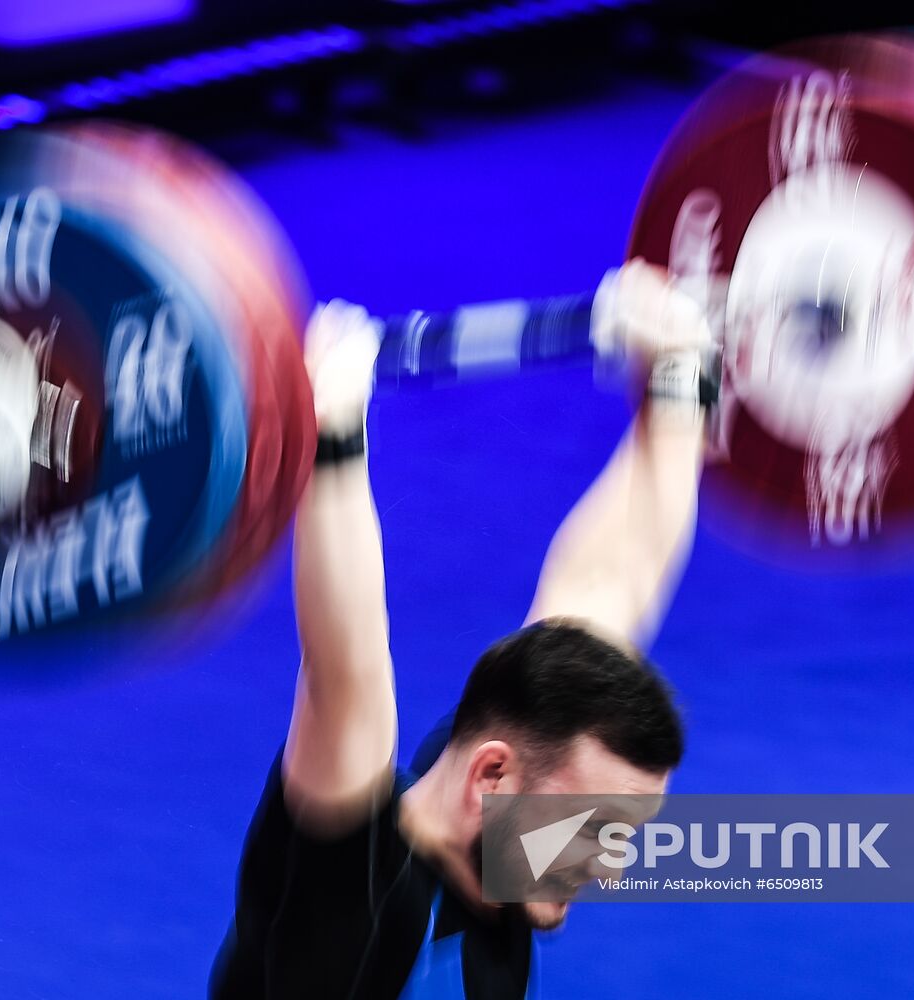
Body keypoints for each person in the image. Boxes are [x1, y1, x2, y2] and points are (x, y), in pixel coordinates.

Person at [210, 260, 715, 998]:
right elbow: (345, 677)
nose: (610, 868)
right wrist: (333, 435)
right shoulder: (359, 892)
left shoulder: (490, 818)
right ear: (491, 779)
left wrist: (680, 372)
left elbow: (610, 584)